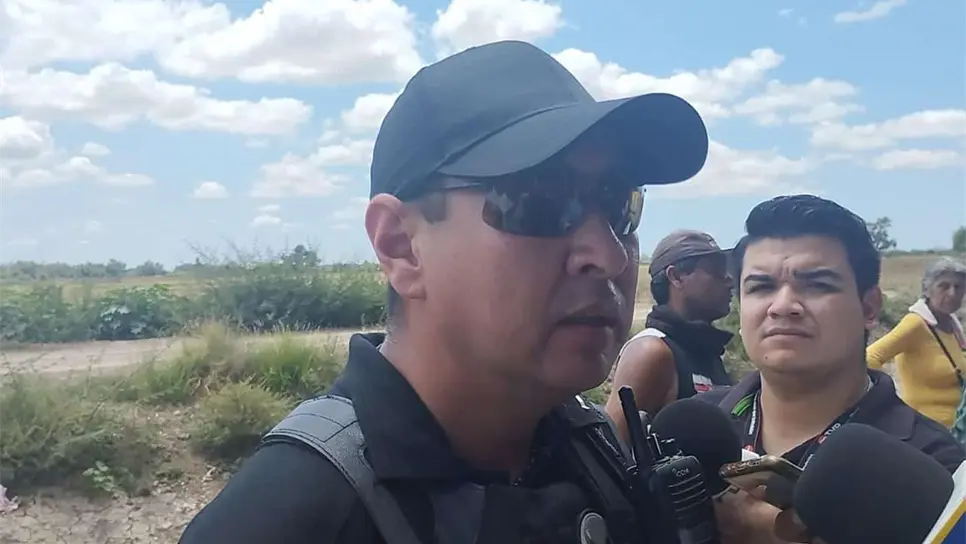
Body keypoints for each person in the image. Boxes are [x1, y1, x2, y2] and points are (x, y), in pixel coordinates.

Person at [179, 40, 711, 544]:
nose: (611, 255)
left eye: (619, 204)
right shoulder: (291, 520)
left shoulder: (592, 451)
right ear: (401, 247)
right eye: (540, 200)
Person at [696, 195, 966, 544]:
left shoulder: (936, 469)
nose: (783, 306)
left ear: (869, 307)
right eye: (761, 286)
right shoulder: (695, 431)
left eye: (817, 285)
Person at [605, 229, 734, 442]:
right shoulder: (653, 351)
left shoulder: (705, 353)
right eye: (717, 270)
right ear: (676, 277)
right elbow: (610, 453)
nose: (729, 281)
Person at [867, 257, 966, 428]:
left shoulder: (953, 325)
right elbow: (870, 358)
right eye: (944, 286)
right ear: (927, 289)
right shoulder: (915, 324)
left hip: (955, 432)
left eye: (958, 287)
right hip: (927, 434)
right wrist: (885, 402)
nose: (952, 293)